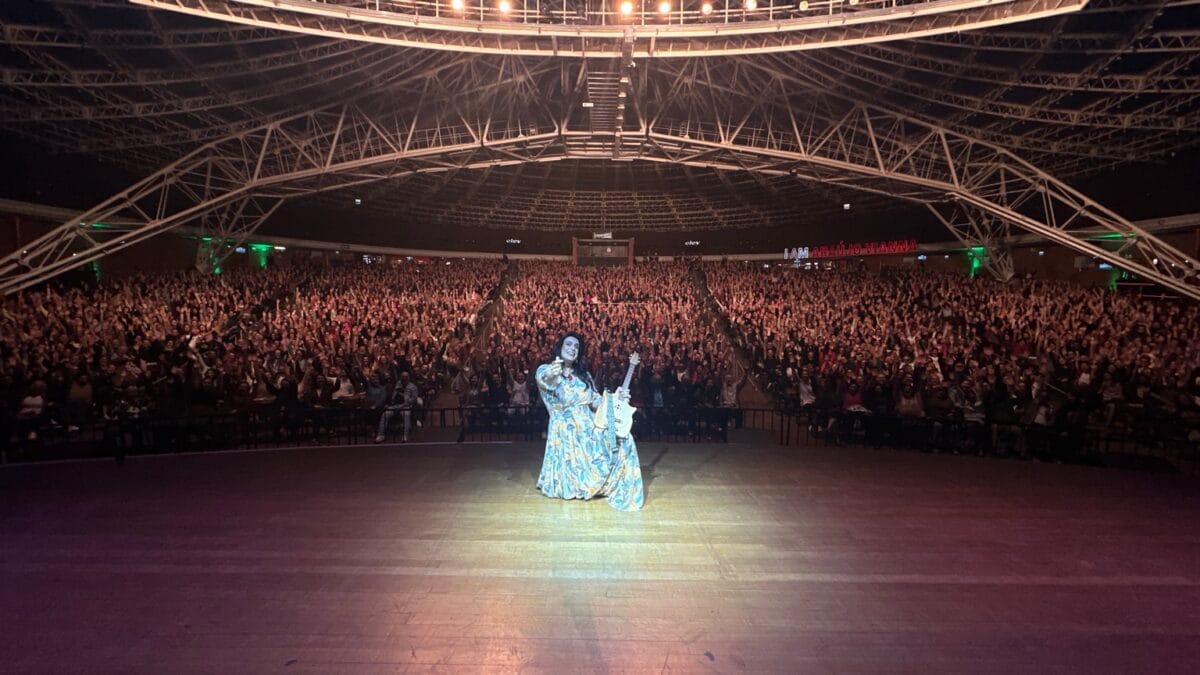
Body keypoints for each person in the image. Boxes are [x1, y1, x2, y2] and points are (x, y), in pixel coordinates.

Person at [534, 332, 644, 511]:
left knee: (623, 438)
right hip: (567, 432)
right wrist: (552, 373)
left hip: (590, 426)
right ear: (560, 348)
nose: (572, 348)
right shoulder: (547, 369)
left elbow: (596, 401)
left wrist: (616, 397)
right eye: (568, 344)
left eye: (576, 346)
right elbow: (546, 380)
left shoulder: (583, 375)